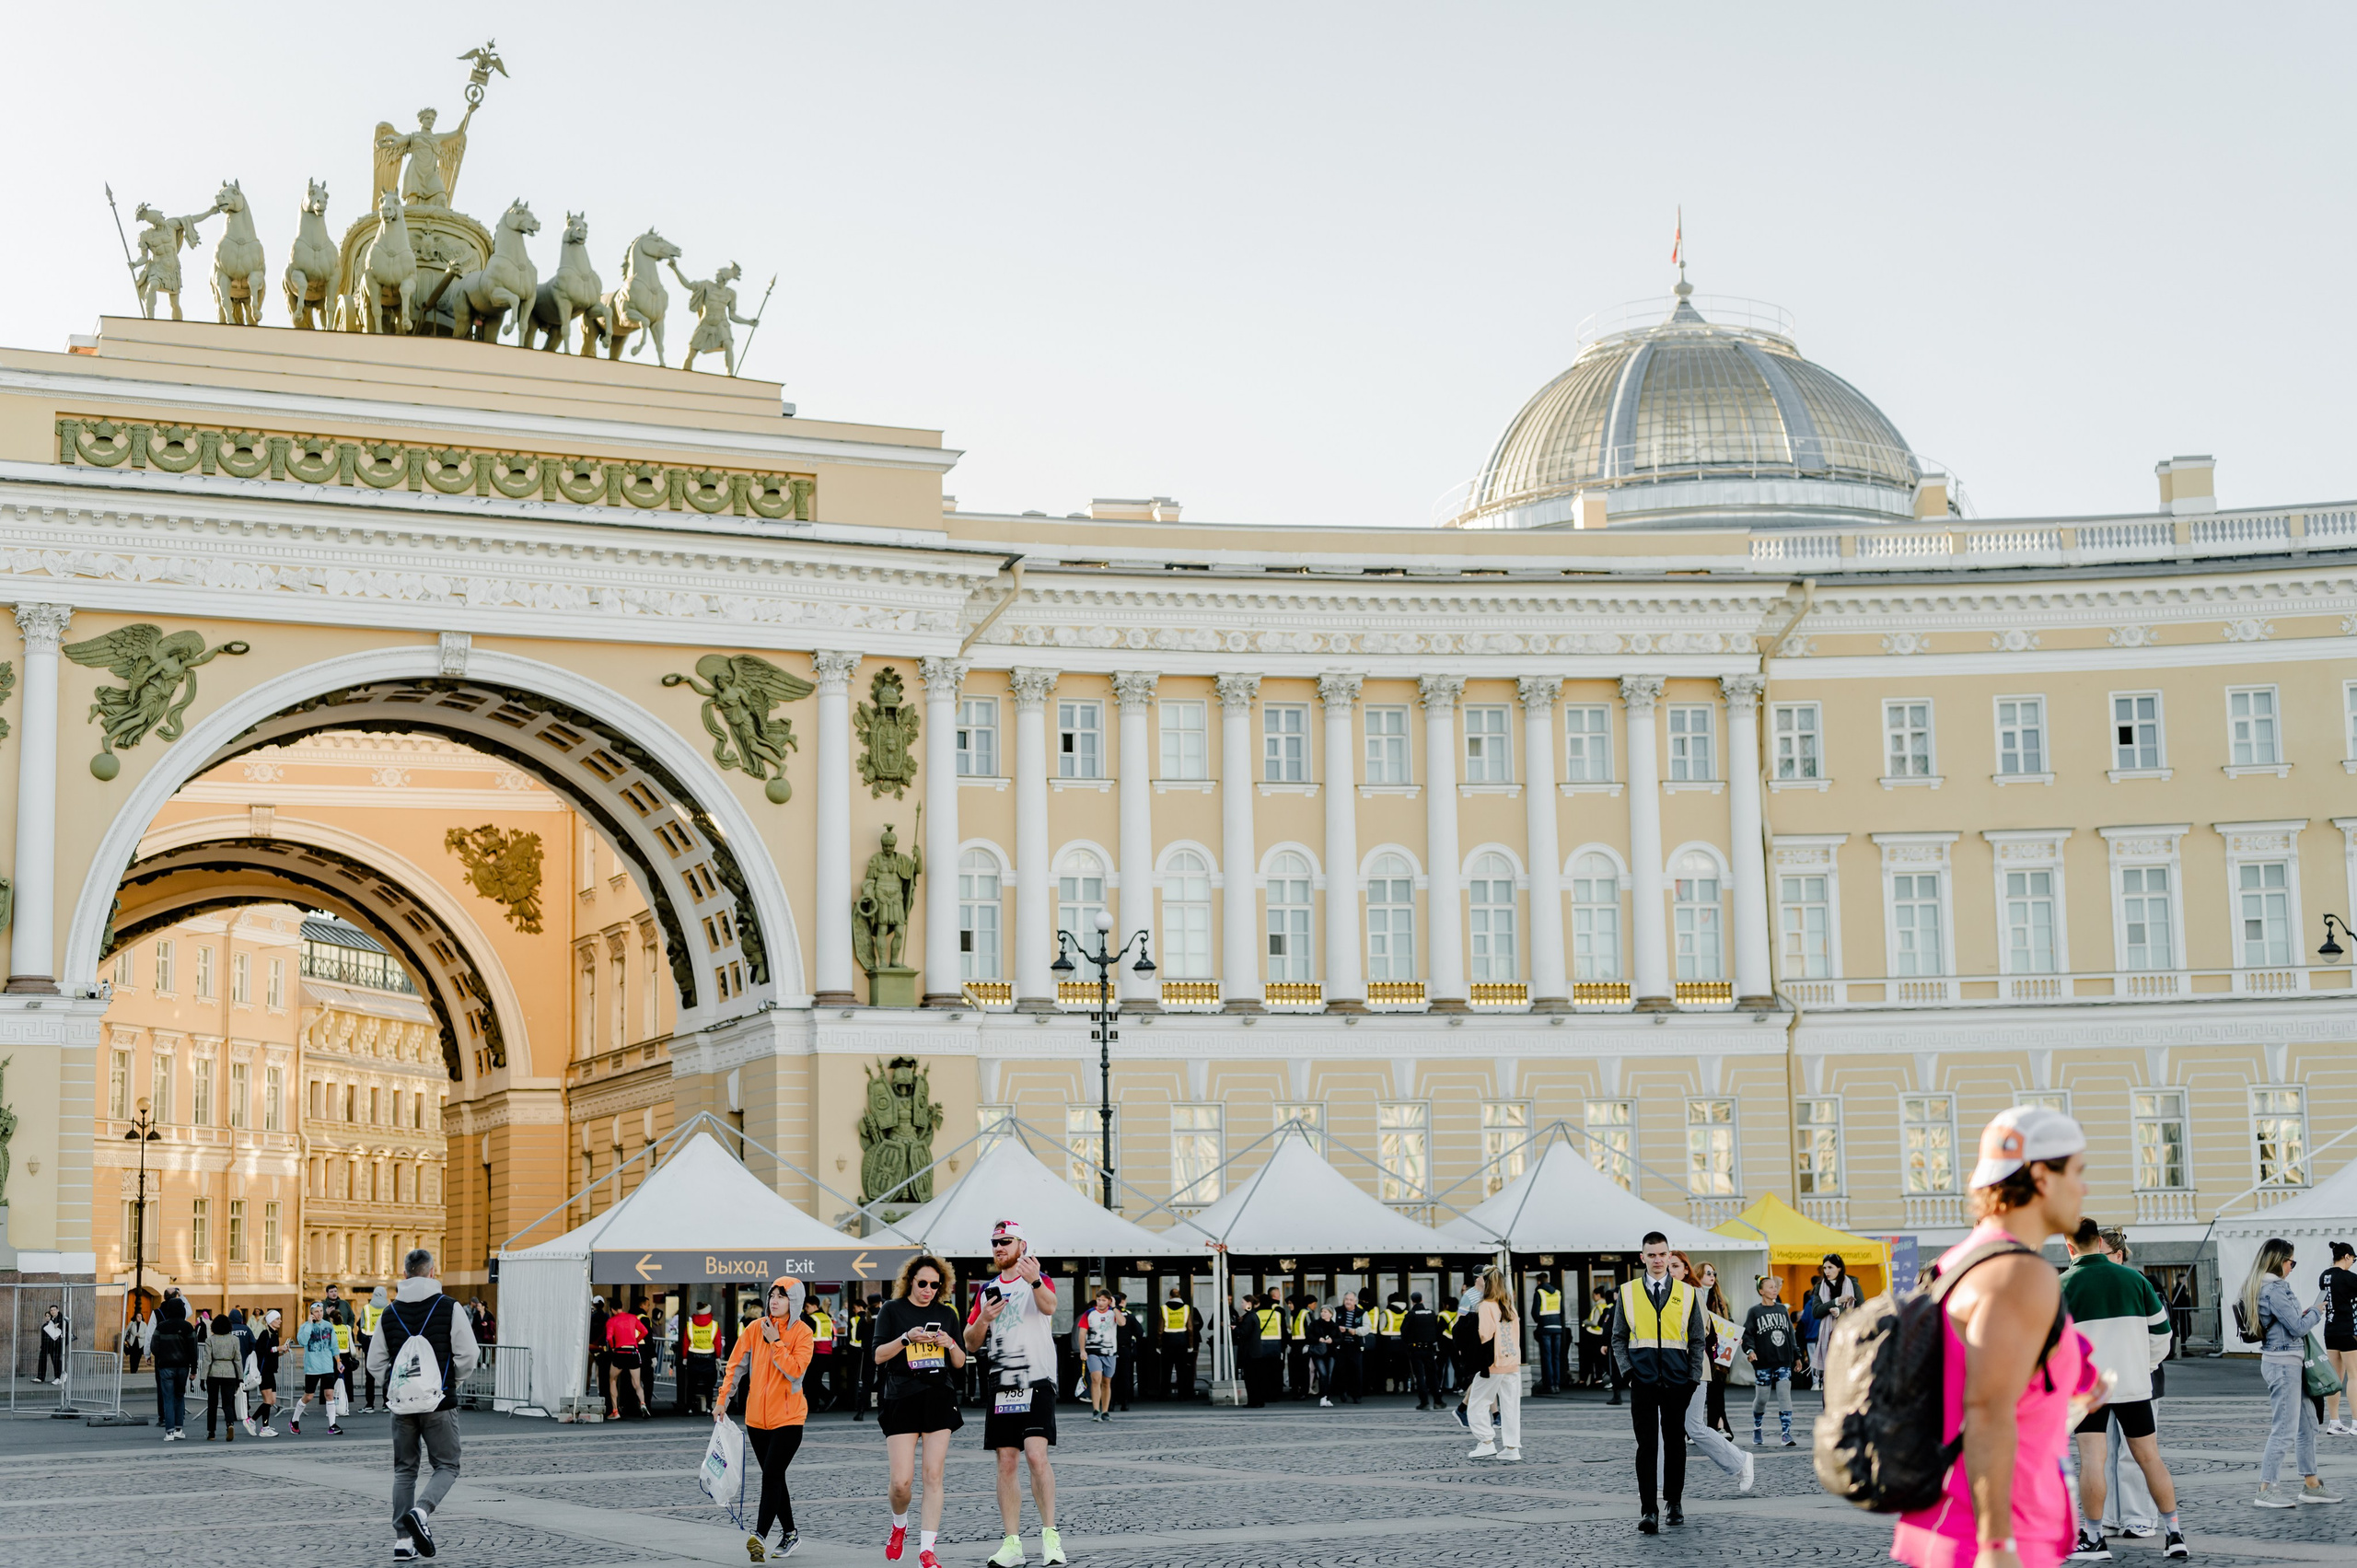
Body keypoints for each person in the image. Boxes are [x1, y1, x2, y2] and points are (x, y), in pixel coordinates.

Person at [1892, 1106, 2099, 1568]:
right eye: (2079, 1171)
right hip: (1998, 1531)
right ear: (2042, 1176)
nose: (2084, 1188)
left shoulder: (1964, 1259)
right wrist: (1997, 1546)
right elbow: (1986, 1409)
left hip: (1949, 1518)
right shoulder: (2019, 1274)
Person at [2057, 1217, 2182, 1560]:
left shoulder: (2061, 1286)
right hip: (2134, 1385)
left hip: (2087, 1391)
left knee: (2093, 1462)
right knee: (2150, 1459)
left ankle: (2095, 1537)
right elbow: (2163, 1335)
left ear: (2069, 1247)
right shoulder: (2135, 1280)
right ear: (2099, 1242)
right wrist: (2145, 1366)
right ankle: (2174, 1533)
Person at [963, 1218, 1066, 1568]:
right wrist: (983, 1319)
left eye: (1006, 1241)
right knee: (1007, 1462)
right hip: (1001, 1383)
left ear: (1022, 1245)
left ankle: (1051, 1537)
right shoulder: (986, 1288)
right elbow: (970, 1342)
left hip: (1036, 1379)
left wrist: (1034, 1279)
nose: (999, 1248)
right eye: (995, 1243)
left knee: (1037, 1457)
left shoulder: (1037, 1278)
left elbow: (1050, 1306)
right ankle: (1012, 1544)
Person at [370, 1248, 481, 1562]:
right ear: (432, 1272)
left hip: (402, 1405)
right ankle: (422, 1511)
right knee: (447, 1465)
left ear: (405, 1274)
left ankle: (403, 1542)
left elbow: (375, 1361)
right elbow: (468, 1354)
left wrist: (395, 1387)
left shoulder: (389, 1313)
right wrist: (450, 1383)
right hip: (439, 1403)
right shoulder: (449, 1307)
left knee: (404, 1470)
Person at [1612, 1231, 1708, 1534]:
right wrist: (1628, 1372)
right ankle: (1648, 1510)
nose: (1657, 1260)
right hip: (1642, 1380)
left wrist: (1693, 1378)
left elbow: (1697, 1340)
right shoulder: (1627, 1293)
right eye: (1651, 1255)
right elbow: (1618, 1338)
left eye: (1662, 1254)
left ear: (1670, 1256)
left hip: (1678, 1381)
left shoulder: (1689, 1294)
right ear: (1642, 1257)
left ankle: (1674, 1502)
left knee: (1675, 1443)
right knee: (1647, 1446)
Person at [877, 1253, 968, 1568]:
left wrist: (949, 1343)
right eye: (922, 1283)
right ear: (910, 1282)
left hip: (938, 1396)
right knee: (902, 1482)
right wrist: (906, 1338)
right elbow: (877, 1355)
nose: (928, 1289)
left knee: (933, 1475)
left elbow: (959, 1362)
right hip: (902, 1395)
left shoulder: (947, 1313)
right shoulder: (892, 1310)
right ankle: (898, 1526)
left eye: (934, 1284)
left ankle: (927, 1550)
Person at [716, 1278, 814, 1562]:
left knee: (771, 1475)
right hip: (756, 1420)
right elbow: (735, 1366)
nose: (774, 1301)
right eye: (772, 1295)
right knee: (775, 1476)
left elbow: (795, 1371)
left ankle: (758, 1535)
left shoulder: (803, 1333)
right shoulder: (754, 1328)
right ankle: (791, 1534)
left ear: (793, 1302)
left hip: (789, 1419)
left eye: (782, 1297)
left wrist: (776, 1343)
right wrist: (723, 1400)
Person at [2242, 1237, 2340, 1507]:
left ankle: (2311, 1485)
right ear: (2278, 1261)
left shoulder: (2265, 1286)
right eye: (2290, 1261)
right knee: (2284, 1429)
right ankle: (2266, 1489)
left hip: (2288, 1361)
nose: (2292, 1266)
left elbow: (2289, 1323)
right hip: (2283, 1363)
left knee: (2308, 1425)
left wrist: (2307, 1313)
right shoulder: (2274, 1290)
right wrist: (2317, 1312)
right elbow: (2297, 1327)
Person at [1669, 1253, 1755, 1495]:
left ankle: (1740, 1460)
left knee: (1694, 1426)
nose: (1671, 1270)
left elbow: (1704, 1331)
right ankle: (1657, 1484)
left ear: (1687, 1270)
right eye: (1668, 1266)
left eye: (1676, 1266)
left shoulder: (1693, 1294)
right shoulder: (1664, 1294)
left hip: (1694, 1367)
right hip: (1669, 1369)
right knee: (1666, 1427)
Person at [1466, 1267, 1524, 1462]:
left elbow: (1485, 1334)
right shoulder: (1508, 1304)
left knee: (1477, 1403)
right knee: (1511, 1406)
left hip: (1493, 1363)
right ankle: (1512, 1447)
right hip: (1512, 1361)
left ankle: (1486, 1442)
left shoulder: (1486, 1305)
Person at [1740, 1274, 1798, 1447]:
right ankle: (1757, 1427)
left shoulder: (1782, 1309)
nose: (1774, 1289)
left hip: (1783, 1360)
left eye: (1775, 1287)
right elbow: (1747, 1334)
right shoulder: (1754, 1311)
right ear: (1761, 1291)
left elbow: (1790, 1334)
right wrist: (1749, 1351)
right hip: (1763, 1362)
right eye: (1770, 1287)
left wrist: (1797, 1356)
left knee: (1784, 1394)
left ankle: (1786, 1433)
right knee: (1762, 1398)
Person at [288, 1300, 344, 1436]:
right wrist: (309, 1324)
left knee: (329, 1394)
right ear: (311, 1314)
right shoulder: (305, 1327)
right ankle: (294, 1420)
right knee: (309, 1396)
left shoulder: (328, 1326)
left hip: (327, 1366)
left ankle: (332, 1425)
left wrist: (338, 1361)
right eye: (316, 1312)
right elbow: (302, 1341)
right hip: (312, 1367)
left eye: (320, 1311)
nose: (319, 1314)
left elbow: (334, 1346)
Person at [1697, 1261, 1736, 1439]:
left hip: (1718, 1349)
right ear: (1698, 1275)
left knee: (1717, 1387)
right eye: (1707, 1273)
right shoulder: (1691, 1294)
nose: (1712, 1276)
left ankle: (1719, 1425)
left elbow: (1728, 1320)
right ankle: (1694, 1428)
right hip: (1697, 1348)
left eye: (1714, 1272)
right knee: (1695, 1390)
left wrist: (1735, 1335)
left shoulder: (1721, 1298)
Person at [2320, 1241, 2357, 1434]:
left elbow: (2323, 1300)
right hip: (2348, 1330)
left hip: (2330, 1330)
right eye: (2354, 1259)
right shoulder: (2350, 1278)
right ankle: (2356, 1423)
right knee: (2354, 1376)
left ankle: (2334, 1421)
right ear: (2347, 1256)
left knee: (2335, 1378)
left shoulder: (2324, 1276)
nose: (2353, 1262)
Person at [1803, 1252, 1858, 1375]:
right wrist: (1836, 1301)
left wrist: (1839, 1311)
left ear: (1839, 1268)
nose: (1827, 1271)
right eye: (1825, 1268)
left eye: (1830, 1267)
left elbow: (1860, 1309)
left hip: (1848, 1337)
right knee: (1828, 1380)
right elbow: (1816, 1312)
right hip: (1827, 1339)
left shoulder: (1853, 1285)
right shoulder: (1819, 1287)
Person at [148, 1293, 194, 1439]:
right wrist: (193, 1369)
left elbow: (154, 1346)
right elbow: (193, 1349)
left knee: (167, 1397)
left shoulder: (162, 1326)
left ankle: (169, 1432)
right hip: (182, 1367)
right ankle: (179, 1430)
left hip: (166, 1366)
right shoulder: (187, 1327)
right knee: (180, 1396)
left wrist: (160, 1356)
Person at [1078, 1288, 1122, 1422]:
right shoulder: (1089, 1313)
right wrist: (1082, 1350)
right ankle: (1096, 1410)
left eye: (1103, 1300)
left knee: (1106, 1381)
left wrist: (1114, 1308)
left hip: (1110, 1351)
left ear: (1109, 1301)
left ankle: (1105, 1411)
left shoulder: (1113, 1312)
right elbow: (1082, 1332)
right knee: (1096, 1378)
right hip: (1093, 1351)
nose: (1100, 1302)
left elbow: (1122, 1322)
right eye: (1099, 1300)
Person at [606, 1298, 652, 1419]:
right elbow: (645, 1331)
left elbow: (609, 1337)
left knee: (612, 1379)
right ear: (622, 1307)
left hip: (620, 1352)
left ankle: (615, 1411)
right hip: (633, 1351)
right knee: (637, 1383)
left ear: (612, 1309)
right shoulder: (632, 1318)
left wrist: (613, 1347)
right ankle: (643, 1404)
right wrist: (635, 1341)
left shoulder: (611, 1321)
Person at [682, 1298, 725, 1416]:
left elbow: (686, 1342)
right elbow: (717, 1342)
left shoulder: (690, 1325)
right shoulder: (714, 1325)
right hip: (709, 1357)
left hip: (693, 1357)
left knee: (691, 1384)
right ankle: (708, 1408)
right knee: (709, 1385)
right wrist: (718, 1357)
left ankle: (689, 1408)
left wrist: (685, 1357)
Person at [1529, 1271, 1568, 1397]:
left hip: (1545, 1327)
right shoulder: (1557, 1292)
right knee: (1556, 1357)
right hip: (1557, 1327)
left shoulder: (1539, 1292)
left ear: (1539, 1281)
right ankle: (1556, 1384)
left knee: (1547, 1357)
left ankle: (1549, 1385)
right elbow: (1562, 1311)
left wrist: (1539, 1321)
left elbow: (1535, 1312)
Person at [1159, 1285, 1200, 1402]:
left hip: (1167, 1342)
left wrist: (1158, 1345)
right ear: (1180, 1296)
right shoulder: (1186, 1308)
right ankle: (1182, 1395)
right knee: (1181, 1370)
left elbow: (1160, 1330)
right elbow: (1191, 1329)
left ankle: (1164, 1395)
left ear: (1170, 1296)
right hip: (1182, 1342)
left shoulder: (1164, 1308)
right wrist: (1191, 1345)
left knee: (1166, 1370)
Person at [248, 1307, 284, 1436]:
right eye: (277, 1319)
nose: (280, 1321)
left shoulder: (274, 1334)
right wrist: (277, 1348)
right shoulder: (265, 1334)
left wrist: (281, 1352)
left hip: (271, 1371)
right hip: (264, 1371)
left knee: (272, 1400)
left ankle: (255, 1422)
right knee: (268, 1400)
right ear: (271, 1321)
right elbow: (262, 1352)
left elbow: (271, 1353)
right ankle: (261, 1425)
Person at [1405, 1292, 1443, 1411]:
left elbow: (1404, 1331)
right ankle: (1438, 1401)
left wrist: (1409, 1344)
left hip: (1416, 1349)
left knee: (1420, 1376)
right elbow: (1438, 1330)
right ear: (1422, 1300)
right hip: (1429, 1349)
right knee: (1432, 1375)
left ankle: (1424, 1402)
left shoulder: (1411, 1314)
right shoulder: (1431, 1313)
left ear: (1412, 1301)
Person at [1585, 1283, 1620, 1403]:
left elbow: (1606, 1327)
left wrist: (1605, 1343)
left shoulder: (1612, 1309)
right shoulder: (1631, 1308)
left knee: (1614, 1369)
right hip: (1629, 1344)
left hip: (1614, 1343)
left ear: (1616, 1294)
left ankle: (1617, 1396)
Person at [1330, 1290, 1368, 1405]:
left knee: (1356, 1371)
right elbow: (1331, 1324)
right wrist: (1338, 1329)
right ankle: (1343, 1391)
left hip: (1355, 1345)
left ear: (1355, 1301)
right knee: (1341, 1370)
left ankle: (1357, 1395)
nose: (1348, 1302)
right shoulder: (1337, 1311)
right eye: (1346, 1299)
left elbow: (1367, 1328)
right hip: (1341, 1346)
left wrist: (1356, 1331)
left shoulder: (1362, 1313)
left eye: (1351, 1300)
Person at [803, 1292, 836, 1415]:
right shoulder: (826, 1317)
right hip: (827, 1352)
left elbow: (807, 1335)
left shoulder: (811, 1319)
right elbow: (832, 1335)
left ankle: (827, 1397)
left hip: (816, 1353)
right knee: (814, 1379)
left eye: (807, 1307)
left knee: (812, 1380)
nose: (806, 1310)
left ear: (813, 1306)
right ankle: (814, 1405)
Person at [357, 1285, 388, 1413]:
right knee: (386, 1375)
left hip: (370, 1345)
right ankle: (387, 1404)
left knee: (369, 1376)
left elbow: (362, 1327)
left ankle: (370, 1404)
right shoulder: (388, 1308)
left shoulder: (366, 1308)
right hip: (386, 1345)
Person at [1307, 1303, 1340, 1407]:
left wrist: (1332, 1340)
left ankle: (1327, 1398)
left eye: (1325, 1312)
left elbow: (1340, 1339)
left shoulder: (1334, 1326)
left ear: (1330, 1314)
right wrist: (1318, 1339)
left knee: (1329, 1376)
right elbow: (1308, 1334)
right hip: (1318, 1352)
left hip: (1331, 1353)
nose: (1323, 1313)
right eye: (1322, 1311)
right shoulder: (1315, 1324)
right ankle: (1322, 1397)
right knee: (1323, 1374)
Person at [36, 1304, 66, 1384]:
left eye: (54, 1310)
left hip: (57, 1344)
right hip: (48, 1344)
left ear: (58, 1310)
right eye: (51, 1310)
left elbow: (66, 1325)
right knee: (44, 1358)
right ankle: (41, 1377)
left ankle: (59, 1376)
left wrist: (59, 1324)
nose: (53, 1312)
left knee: (56, 1360)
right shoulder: (51, 1319)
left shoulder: (61, 1318)